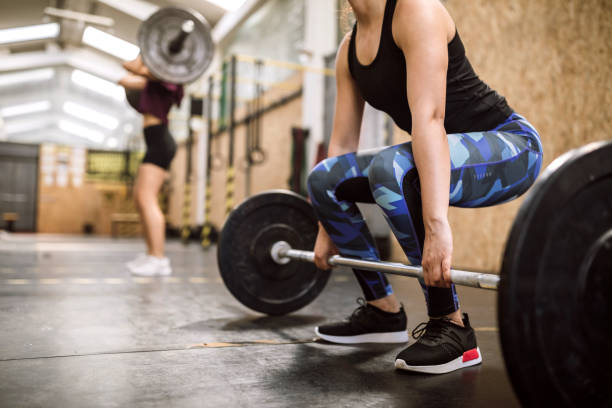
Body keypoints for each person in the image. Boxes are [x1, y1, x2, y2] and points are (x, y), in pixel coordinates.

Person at [307, 0, 542, 374]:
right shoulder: (348, 49)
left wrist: (437, 224)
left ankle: (452, 328)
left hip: (511, 149)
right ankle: (382, 311)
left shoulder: (415, 10)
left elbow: (431, 119)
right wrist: (326, 224)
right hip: (439, 152)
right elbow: (340, 148)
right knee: (324, 176)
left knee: (391, 169)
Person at [119, 55, 184, 276]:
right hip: (155, 141)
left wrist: (143, 56)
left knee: (147, 199)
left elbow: (130, 67)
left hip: (160, 141)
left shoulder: (167, 79)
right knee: (140, 197)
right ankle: (151, 254)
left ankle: (159, 259)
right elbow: (125, 79)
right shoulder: (153, 83)